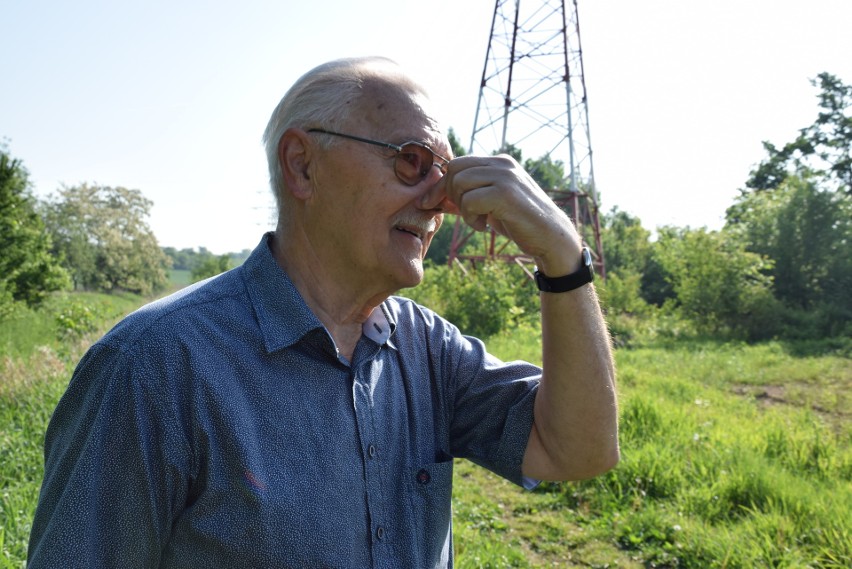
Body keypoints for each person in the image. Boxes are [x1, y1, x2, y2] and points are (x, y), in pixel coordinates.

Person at [28, 56, 619, 568]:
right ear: (303, 165)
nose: (440, 199)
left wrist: (563, 260)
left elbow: (578, 450)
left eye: (447, 172)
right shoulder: (155, 367)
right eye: (413, 161)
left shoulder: (427, 349)